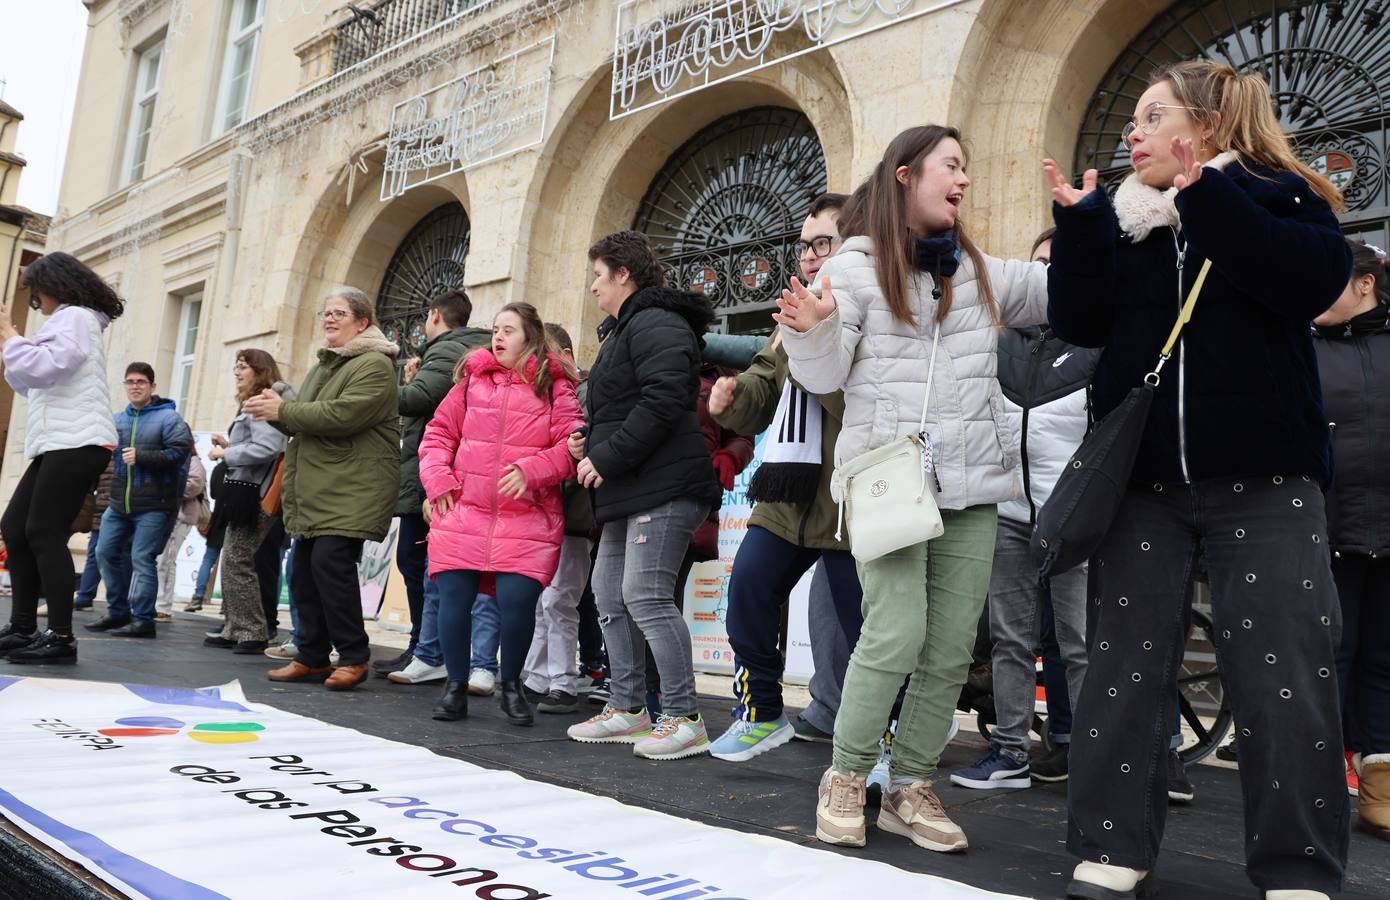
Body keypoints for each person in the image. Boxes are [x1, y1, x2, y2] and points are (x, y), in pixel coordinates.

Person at [1044, 60, 1351, 899]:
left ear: (1205, 126)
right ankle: (1112, 846)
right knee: (1123, 671)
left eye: (1149, 117)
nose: (1130, 134)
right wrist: (1076, 232)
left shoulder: (1278, 194)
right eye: (1130, 121)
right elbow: (1079, 323)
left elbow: (1308, 282)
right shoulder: (1124, 224)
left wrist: (1203, 200)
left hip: (1266, 479)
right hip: (1144, 487)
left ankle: (1297, 866)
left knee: (1284, 675)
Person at [775, 125, 1048, 852]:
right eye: (951, 165)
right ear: (905, 175)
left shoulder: (978, 270)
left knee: (951, 648)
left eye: (968, 167)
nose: (964, 179)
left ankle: (911, 786)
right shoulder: (855, 269)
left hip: (973, 485)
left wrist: (1099, 221)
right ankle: (845, 775)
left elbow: (1062, 291)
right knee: (896, 630)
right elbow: (824, 374)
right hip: (890, 483)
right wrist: (811, 332)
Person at [706, 191, 865, 763]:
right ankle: (763, 712)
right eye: (803, 246)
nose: (809, 256)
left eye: (822, 243)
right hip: (790, 493)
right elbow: (763, 388)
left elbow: (861, 406)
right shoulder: (787, 321)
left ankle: (889, 743)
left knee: (864, 632)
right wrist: (731, 401)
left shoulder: (873, 311)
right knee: (747, 589)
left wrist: (819, 344)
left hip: (852, 499)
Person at [566, 230, 723, 760]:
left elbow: (664, 399)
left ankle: (683, 716)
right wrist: (592, 439)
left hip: (666, 485)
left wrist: (604, 456)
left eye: (597, 275)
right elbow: (628, 403)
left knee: (646, 596)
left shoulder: (656, 321)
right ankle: (629, 709)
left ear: (623, 275)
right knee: (608, 597)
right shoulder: (627, 328)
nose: (592, 287)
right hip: (630, 487)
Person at [950, 228, 1098, 790]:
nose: (1047, 277)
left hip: (1072, 518)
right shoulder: (999, 338)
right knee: (1011, 640)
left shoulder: (1098, 342)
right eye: (1038, 265)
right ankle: (1009, 750)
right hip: (1008, 514)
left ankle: (1089, 756)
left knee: (1079, 643)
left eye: (1058, 266)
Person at [418, 302, 583, 724]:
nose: (498, 337)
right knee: (453, 598)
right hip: (464, 510)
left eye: (508, 330)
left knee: (516, 604)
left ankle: (511, 686)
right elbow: (437, 433)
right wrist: (438, 481)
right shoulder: (471, 380)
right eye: (495, 329)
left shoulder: (555, 386)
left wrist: (533, 470)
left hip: (527, 517)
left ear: (530, 336)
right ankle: (455, 687)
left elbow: (572, 445)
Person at [249, 287, 400, 691]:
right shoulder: (326, 365)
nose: (329, 319)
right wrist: (274, 412)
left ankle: (354, 656)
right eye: (326, 313)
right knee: (301, 573)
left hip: (353, 488)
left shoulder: (375, 364)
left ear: (363, 322)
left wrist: (284, 411)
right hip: (322, 488)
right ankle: (313, 656)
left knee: (330, 567)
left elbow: (341, 415)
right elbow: (306, 419)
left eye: (339, 313)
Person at [0, 252, 124, 664]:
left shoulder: (74, 317)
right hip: (60, 442)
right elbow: (31, 379)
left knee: (42, 533)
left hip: (78, 442)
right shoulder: (71, 320)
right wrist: (14, 347)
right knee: (15, 529)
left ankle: (60, 636)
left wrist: (11, 338)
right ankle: (22, 627)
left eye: (35, 293)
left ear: (51, 287)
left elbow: (50, 364)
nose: (36, 301)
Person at [1312, 239, 1390, 841]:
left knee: (1384, 660)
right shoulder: (1300, 349)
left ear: (1366, 284)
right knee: (1325, 658)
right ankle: (1314, 782)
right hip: (1324, 533)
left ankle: (1381, 789)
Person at [376, 289, 490, 679]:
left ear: (435, 315)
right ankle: (425, 648)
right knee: (428, 566)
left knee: (417, 562)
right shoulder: (468, 348)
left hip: (431, 477)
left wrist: (380, 387)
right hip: (446, 473)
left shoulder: (446, 348)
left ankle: (427, 650)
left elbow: (419, 400)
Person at [641, 361, 754, 714]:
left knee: (659, 598)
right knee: (625, 597)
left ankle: (664, 696)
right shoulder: (649, 356)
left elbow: (742, 432)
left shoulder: (723, 374)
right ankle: (628, 691)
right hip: (637, 494)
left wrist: (729, 456)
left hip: (689, 499)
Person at [87, 363, 193, 639]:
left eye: (141, 382)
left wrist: (143, 456)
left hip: (155, 505)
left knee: (142, 558)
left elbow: (181, 453)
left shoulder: (170, 418)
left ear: (152, 387)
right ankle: (118, 611)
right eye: (130, 381)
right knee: (104, 552)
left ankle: (145, 620)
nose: (135, 386)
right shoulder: (117, 419)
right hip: (119, 503)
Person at [522, 323, 596, 714]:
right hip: (550, 512)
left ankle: (563, 682)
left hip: (575, 514)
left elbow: (579, 448)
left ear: (565, 354)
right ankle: (538, 677)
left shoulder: (584, 393)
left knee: (559, 600)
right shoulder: (552, 393)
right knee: (543, 600)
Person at [204, 349, 295, 654]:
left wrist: (225, 453)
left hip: (254, 493)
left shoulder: (261, 401)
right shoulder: (256, 401)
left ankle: (252, 630)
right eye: (236, 367)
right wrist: (230, 445)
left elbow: (268, 447)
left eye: (243, 367)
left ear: (260, 371)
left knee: (238, 560)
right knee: (233, 559)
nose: (237, 372)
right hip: (246, 490)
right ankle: (235, 627)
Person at [153, 444, 206, 621]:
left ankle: (163, 606)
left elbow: (194, 485)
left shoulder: (193, 461)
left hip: (180, 516)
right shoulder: (169, 458)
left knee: (166, 560)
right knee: (160, 560)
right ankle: (157, 603)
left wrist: (165, 491)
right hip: (164, 512)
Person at [72, 460, 115, 611]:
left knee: (122, 557)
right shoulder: (106, 456)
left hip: (120, 511)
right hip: (101, 511)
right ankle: (84, 597)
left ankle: (120, 604)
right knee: (94, 554)